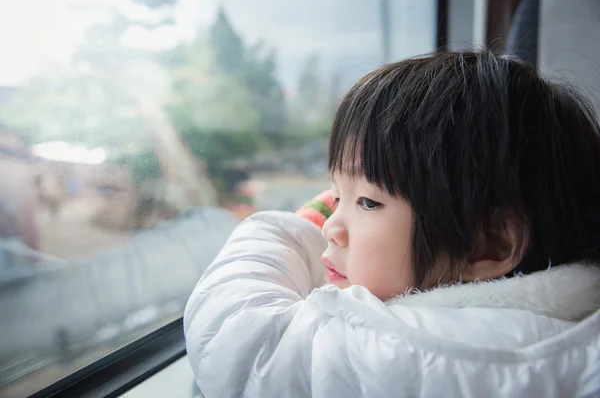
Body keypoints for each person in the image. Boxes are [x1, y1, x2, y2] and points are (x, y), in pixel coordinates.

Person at [183, 51, 600, 397]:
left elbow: (235, 339)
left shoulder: (415, 345)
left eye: (367, 201)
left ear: (489, 244)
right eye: (335, 197)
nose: (330, 226)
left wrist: (288, 230)